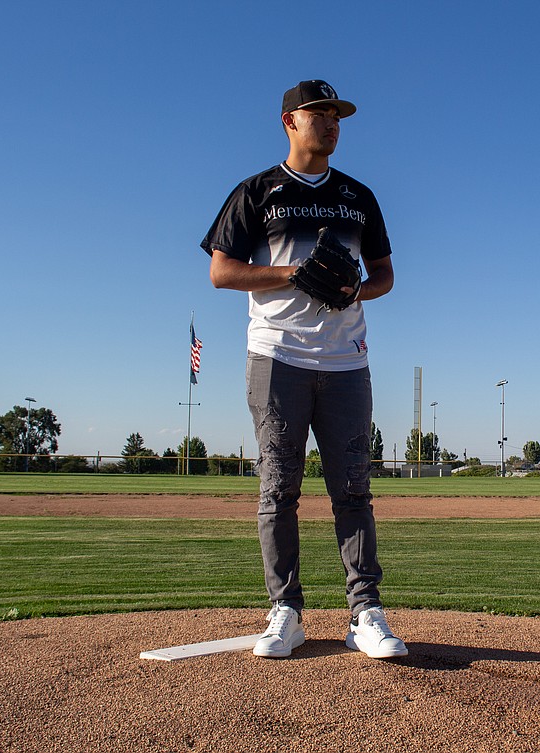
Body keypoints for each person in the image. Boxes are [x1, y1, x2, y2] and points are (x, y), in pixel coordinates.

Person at [200, 80, 406, 660]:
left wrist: (358, 289)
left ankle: (365, 613)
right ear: (290, 121)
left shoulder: (358, 196)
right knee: (278, 488)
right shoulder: (257, 192)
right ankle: (285, 610)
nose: (333, 124)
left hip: (345, 361)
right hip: (277, 356)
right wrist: (293, 272)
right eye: (321, 114)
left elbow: (386, 275)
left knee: (352, 489)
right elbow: (222, 272)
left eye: (338, 116)